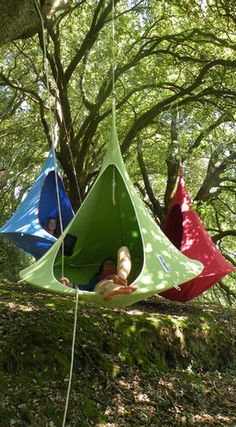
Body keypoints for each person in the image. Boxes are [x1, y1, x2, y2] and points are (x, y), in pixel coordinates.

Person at [60, 246, 137, 301]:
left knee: (123, 248)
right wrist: (69, 284)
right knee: (106, 283)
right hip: (102, 285)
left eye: (113, 264)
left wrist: (119, 277)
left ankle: (120, 281)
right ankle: (113, 289)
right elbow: (87, 288)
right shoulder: (98, 276)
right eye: (107, 264)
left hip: (120, 278)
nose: (111, 266)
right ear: (102, 268)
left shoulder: (120, 270)